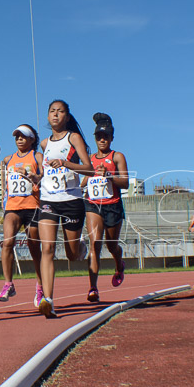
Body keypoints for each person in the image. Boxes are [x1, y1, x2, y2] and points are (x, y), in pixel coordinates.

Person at [36, 100, 93, 318]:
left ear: (67, 117)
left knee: (71, 255)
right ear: (48, 116)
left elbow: (89, 169)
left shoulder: (73, 138)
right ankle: (48, 300)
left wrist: (67, 164)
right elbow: (46, 172)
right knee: (47, 249)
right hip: (48, 200)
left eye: (60, 112)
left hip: (71, 201)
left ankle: (80, 247)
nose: (56, 115)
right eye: (52, 111)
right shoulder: (44, 144)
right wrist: (36, 178)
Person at [83, 113, 128, 302]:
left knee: (111, 245)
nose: (102, 140)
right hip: (93, 205)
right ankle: (93, 287)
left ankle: (119, 263)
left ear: (111, 138)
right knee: (95, 244)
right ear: (95, 138)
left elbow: (125, 182)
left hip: (113, 206)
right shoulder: (90, 159)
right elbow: (84, 179)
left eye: (106, 136)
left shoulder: (117, 156)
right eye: (99, 137)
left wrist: (108, 176)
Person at [0, 124, 44, 302]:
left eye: (23, 136)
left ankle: (40, 286)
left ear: (32, 139)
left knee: (34, 248)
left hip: (32, 206)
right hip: (13, 207)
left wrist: (33, 177)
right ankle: (8, 284)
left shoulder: (37, 156)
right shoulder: (8, 159)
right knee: (7, 242)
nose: (19, 139)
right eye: (17, 136)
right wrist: (4, 199)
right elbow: (5, 183)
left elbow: (44, 176)